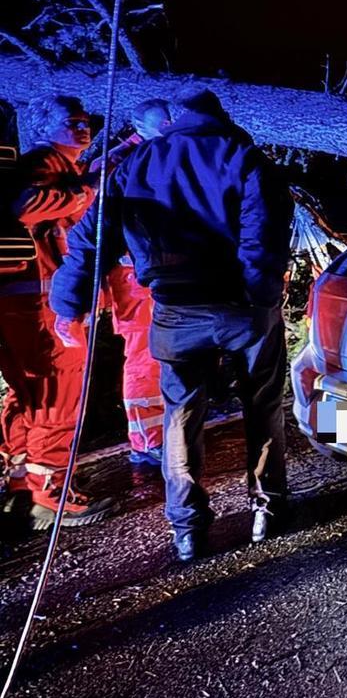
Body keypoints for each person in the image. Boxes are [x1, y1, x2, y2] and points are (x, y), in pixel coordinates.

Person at [51, 89, 293, 561]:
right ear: (219, 117)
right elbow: (264, 234)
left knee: (181, 415)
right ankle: (268, 510)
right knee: (262, 406)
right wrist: (259, 297)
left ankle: (187, 529)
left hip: (175, 308)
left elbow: (91, 239)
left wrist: (69, 304)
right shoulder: (243, 157)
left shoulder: (137, 165)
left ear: (172, 121)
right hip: (241, 306)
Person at [0, 95, 114, 526]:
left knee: (29, 394)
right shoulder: (43, 163)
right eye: (73, 122)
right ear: (45, 125)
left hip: (24, 303)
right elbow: (25, 206)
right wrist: (87, 191)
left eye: (85, 122)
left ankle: (21, 484)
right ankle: (51, 493)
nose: (84, 129)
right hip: (44, 305)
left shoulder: (57, 166)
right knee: (58, 394)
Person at [99, 99, 173, 467]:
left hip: (152, 271)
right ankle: (146, 441)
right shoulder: (122, 162)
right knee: (145, 356)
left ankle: (161, 435)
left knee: (161, 354)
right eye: (165, 122)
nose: (171, 127)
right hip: (133, 276)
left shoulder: (157, 155)